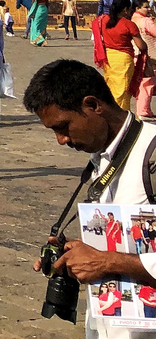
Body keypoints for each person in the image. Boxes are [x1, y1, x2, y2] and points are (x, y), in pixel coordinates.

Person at [25, 59, 156, 338]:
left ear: (93, 105)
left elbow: (112, 259)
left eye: (63, 127)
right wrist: (80, 253)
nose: (61, 140)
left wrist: (107, 262)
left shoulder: (151, 156)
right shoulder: (101, 158)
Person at [96, 0, 148, 111]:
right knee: (123, 90)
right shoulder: (129, 24)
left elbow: (93, 25)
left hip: (108, 58)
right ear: (125, 10)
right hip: (123, 59)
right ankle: (120, 115)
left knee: (111, 86)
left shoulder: (104, 20)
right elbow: (141, 45)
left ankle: (109, 112)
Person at [134, 0, 156, 118]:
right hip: (149, 55)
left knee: (142, 82)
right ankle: (144, 110)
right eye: (146, 7)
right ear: (138, 8)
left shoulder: (131, 19)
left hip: (135, 54)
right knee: (148, 82)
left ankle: (143, 109)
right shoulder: (146, 21)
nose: (148, 9)